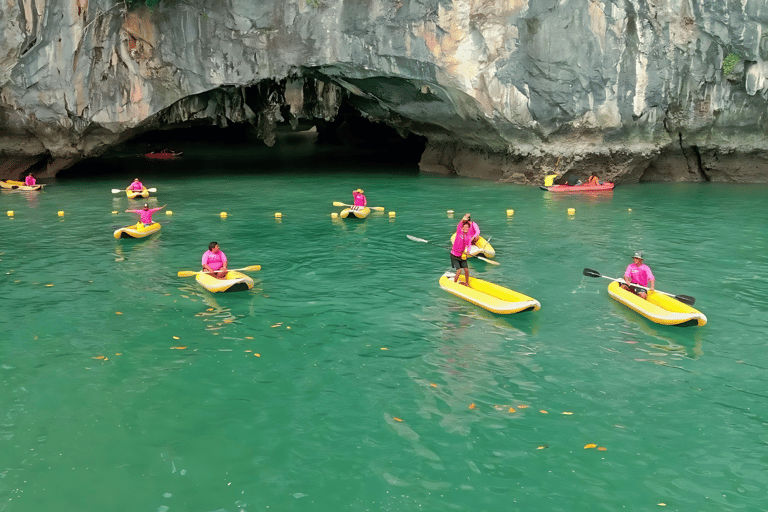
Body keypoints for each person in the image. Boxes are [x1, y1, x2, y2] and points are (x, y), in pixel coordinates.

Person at [451, 221, 473, 285]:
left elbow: (469, 245)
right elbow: (459, 224)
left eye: (468, 227)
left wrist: (468, 251)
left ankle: (467, 283)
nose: (467, 228)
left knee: (466, 270)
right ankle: (454, 283)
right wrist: (464, 218)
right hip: (454, 255)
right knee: (459, 271)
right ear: (462, 228)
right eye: (465, 227)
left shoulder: (468, 236)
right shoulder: (459, 232)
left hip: (462, 256)